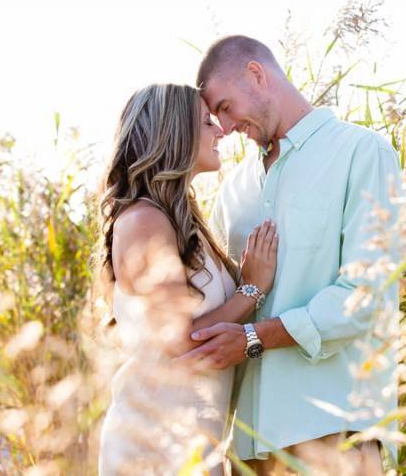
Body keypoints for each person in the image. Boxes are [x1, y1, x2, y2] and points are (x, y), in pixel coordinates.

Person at [185, 35, 401, 475]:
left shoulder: (360, 153)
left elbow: (365, 295)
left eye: (225, 107)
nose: (224, 128)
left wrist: (253, 338)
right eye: (214, 117)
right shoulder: (234, 191)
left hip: (333, 432)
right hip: (248, 447)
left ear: (257, 74)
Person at [96, 83, 279, 475]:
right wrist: (252, 289)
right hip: (154, 446)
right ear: (174, 133)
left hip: (192, 445)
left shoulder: (183, 222)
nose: (221, 131)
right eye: (206, 122)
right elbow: (178, 341)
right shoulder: (145, 220)